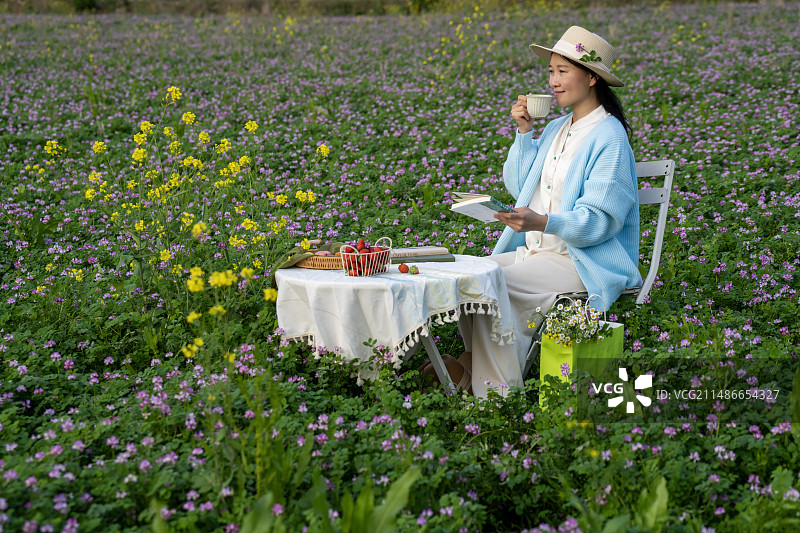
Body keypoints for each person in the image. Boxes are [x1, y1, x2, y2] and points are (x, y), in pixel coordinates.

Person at [424, 26, 642, 398]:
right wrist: (524, 133)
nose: (553, 81)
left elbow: (601, 220)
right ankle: (472, 367)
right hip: (536, 253)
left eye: (563, 71)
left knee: (489, 285)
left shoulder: (609, 137)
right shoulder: (559, 127)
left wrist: (542, 222)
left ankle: (493, 393)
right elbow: (523, 185)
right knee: (468, 275)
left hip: (579, 260)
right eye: (551, 71)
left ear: (591, 77)